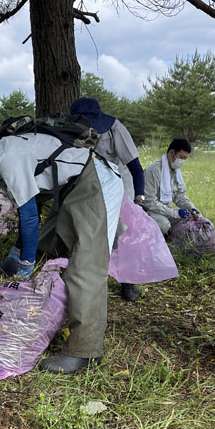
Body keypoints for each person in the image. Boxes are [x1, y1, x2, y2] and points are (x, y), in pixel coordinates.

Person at [0, 131, 123, 374]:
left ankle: (83, 352)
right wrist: (16, 253)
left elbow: (30, 214)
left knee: (86, 267)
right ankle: (53, 320)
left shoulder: (6, 155)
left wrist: (25, 266)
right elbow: (27, 213)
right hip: (72, 188)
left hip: (95, 182)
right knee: (52, 248)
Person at [70, 97, 145, 301]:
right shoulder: (71, 131)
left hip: (118, 182)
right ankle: (89, 280)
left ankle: (128, 283)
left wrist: (139, 197)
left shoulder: (114, 128)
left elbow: (135, 166)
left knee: (120, 233)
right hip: (88, 185)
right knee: (87, 231)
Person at [142, 138, 200, 235]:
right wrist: (174, 213)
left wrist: (192, 208)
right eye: (181, 157)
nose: (182, 162)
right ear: (172, 153)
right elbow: (149, 202)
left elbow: (180, 196)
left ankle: (172, 234)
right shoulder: (154, 171)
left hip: (165, 211)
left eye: (185, 159)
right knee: (164, 226)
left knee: (190, 220)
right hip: (150, 212)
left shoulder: (176, 172)